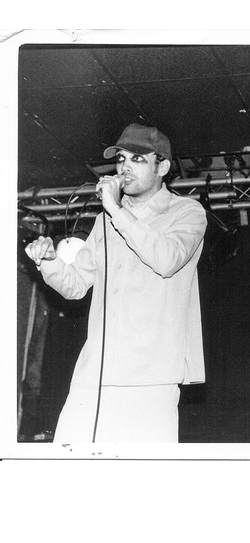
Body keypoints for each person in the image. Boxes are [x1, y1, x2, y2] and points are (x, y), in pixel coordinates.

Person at [24, 123, 207, 443]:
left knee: (140, 471)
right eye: (121, 159)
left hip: (150, 378)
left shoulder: (187, 212)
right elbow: (76, 285)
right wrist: (49, 261)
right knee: (70, 463)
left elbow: (167, 260)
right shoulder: (105, 221)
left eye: (137, 159)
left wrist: (115, 209)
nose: (124, 167)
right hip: (95, 374)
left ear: (162, 167)